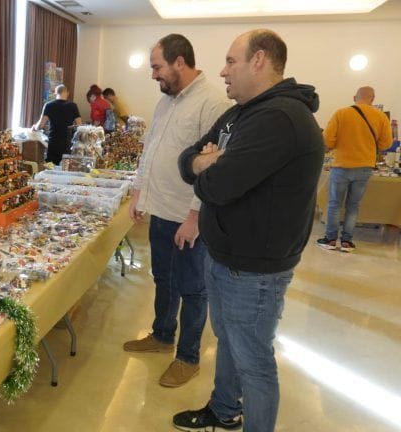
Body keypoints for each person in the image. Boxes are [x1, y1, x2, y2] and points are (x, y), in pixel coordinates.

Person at [173, 29, 324, 432]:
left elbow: (216, 186)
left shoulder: (279, 118)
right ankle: (224, 410)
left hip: (254, 270)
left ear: (259, 60)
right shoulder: (240, 113)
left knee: (254, 362)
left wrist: (208, 167)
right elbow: (187, 159)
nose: (222, 71)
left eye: (230, 61)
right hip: (225, 257)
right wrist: (207, 161)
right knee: (230, 344)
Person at [123, 34, 232, 388]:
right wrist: (140, 191)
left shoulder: (212, 102)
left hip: (189, 218)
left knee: (192, 288)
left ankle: (188, 357)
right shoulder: (167, 101)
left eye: (157, 67)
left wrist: (195, 217)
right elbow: (151, 148)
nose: (153, 75)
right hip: (161, 209)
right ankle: (162, 335)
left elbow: (215, 168)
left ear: (179, 62)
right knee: (163, 279)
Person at [317, 86, 392, 252]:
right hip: (365, 167)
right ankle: (346, 242)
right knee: (353, 206)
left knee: (335, 204)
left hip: (342, 166)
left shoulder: (341, 113)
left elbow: (327, 141)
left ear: (354, 97)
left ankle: (330, 240)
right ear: (373, 99)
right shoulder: (380, 117)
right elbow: (386, 144)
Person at [32, 84, 82, 164]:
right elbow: (79, 126)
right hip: (67, 143)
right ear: (67, 93)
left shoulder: (48, 105)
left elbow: (41, 125)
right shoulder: (73, 106)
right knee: (65, 167)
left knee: (51, 167)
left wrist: (35, 127)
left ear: (55, 93)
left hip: (53, 142)